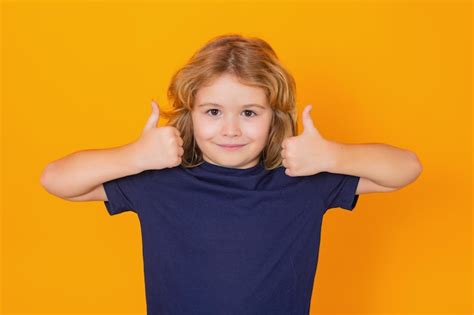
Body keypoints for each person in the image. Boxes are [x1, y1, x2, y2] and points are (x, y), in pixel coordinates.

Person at [40, 33, 422, 315]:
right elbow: (56, 179)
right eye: (213, 112)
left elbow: (406, 169)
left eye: (250, 113)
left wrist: (333, 155)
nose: (231, 130)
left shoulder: (304, 179)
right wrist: (133, 156)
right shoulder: (158, 180)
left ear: (276, 117)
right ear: (190, 113)